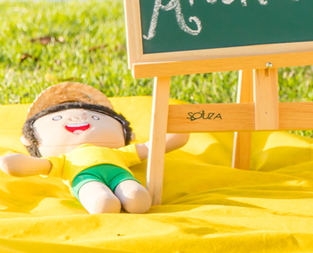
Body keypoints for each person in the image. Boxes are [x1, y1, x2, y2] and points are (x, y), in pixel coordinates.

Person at [1, 82, 190, 214]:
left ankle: (131, 197)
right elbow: (39, 165)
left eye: (96, 118)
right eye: (57, 118)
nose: (78, 119)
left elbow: (150, 147)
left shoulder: (119, 153)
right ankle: (101, 201)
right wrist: (13, 162)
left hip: (120, 174)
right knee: (99, 198)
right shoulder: (65, 160)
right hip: (83, 177)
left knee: (136, 195)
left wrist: (178, 133)